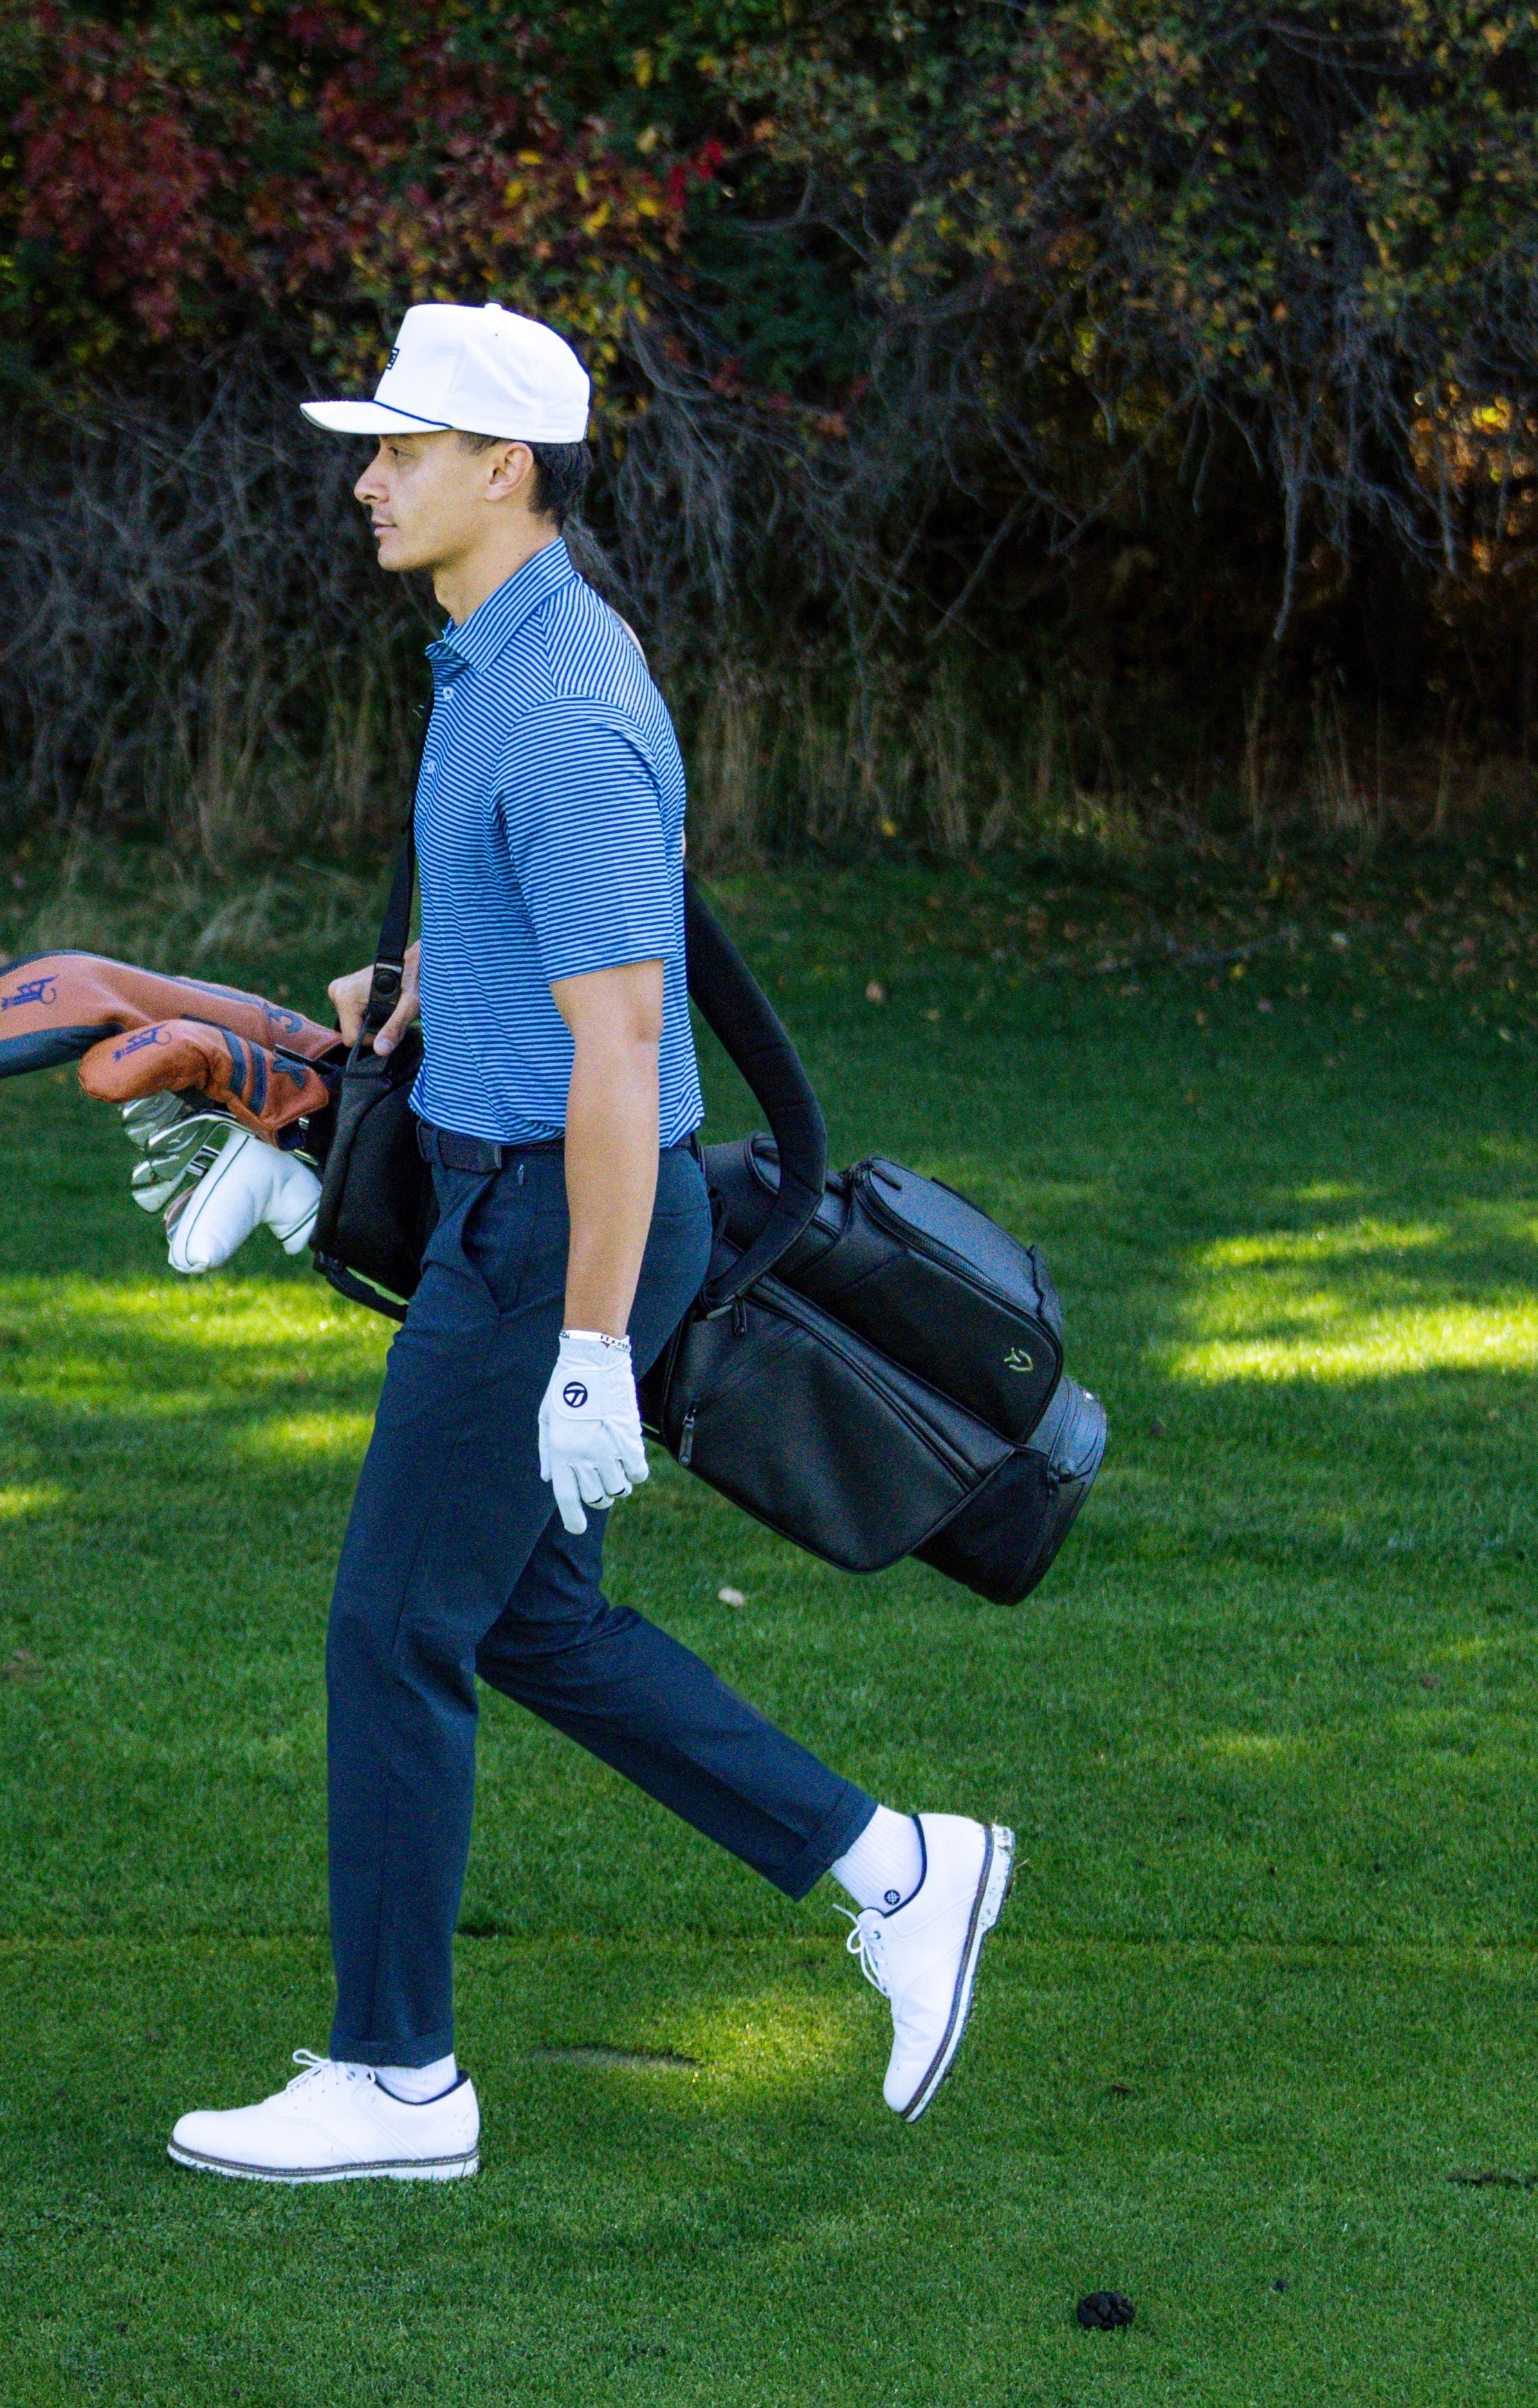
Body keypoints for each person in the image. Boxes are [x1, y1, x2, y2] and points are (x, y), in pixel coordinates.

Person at [167, 303, 1011, 2184]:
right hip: (509, 1197)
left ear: (504, 471)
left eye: (400, 448)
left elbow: (631, 1050)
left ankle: (398, 2080)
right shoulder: (489, 660)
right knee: (531, 1619)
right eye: (370, 445)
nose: (367, 478)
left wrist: (585, 1340)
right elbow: (537, 980)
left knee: (394, 1626)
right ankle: (903, 1863)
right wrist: (389, 1018)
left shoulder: (561, 706)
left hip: (559, 1228)